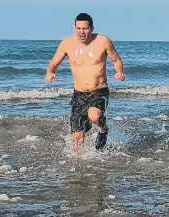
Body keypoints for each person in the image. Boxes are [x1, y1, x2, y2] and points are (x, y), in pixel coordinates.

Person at [46, 13, 125, 151]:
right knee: (77, 138)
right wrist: (50, 72)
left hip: (99, 91)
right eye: (78, 28)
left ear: (92, 28)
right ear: (75, 28)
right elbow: (53, 63)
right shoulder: (67, 43)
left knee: (94, 115)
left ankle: (103, 129)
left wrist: (119, 71)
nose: (81, 32)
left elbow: (116, 60)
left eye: (85, 28)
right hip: (79, 95)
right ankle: (80, 167)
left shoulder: (103, 41)